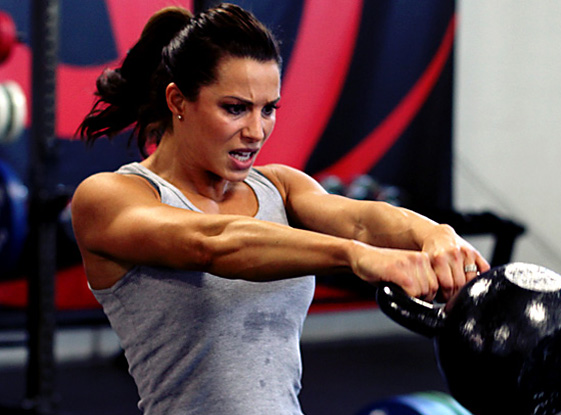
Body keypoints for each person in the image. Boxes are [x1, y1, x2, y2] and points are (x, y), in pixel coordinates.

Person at [72, 3, 490, 414]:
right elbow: (212, 244)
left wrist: (435, 234)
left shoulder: (280, 187)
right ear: (178, 101)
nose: (256, 131)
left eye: (268, 109)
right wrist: (355, 257)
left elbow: (360, 220)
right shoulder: (110, 197)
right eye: (235, 108)